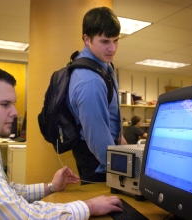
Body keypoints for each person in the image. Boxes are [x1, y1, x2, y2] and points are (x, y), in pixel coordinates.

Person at [0, 63, 123, 219]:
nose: (14, 112)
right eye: (5, 104)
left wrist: (51, 187)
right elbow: (22, 217)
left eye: (13, 104)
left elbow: (5, 193)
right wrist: (88, 206)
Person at [68, 6, 127, 185]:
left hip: (108, 148)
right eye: (105, 41)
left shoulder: (103, 65)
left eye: (116, 40)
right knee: (107, 209)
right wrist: (121, 170)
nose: (112, 48)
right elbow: (97, 136)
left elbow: (112, 110)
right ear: (87, 39)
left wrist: (120, 137)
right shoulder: (90, 81)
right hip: (98, 158)